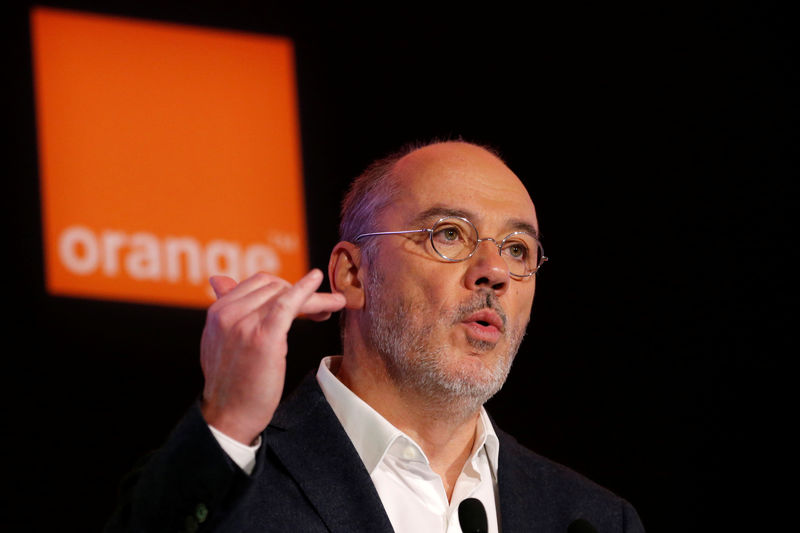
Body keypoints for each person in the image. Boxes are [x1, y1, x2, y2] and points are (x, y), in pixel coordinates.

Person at [105, 141, 645, 533]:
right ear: (353, 275)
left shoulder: (591, 519)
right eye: (449, 234)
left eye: (518, 250)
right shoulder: (231, 482)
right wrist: (228, 421)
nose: (494, 272)